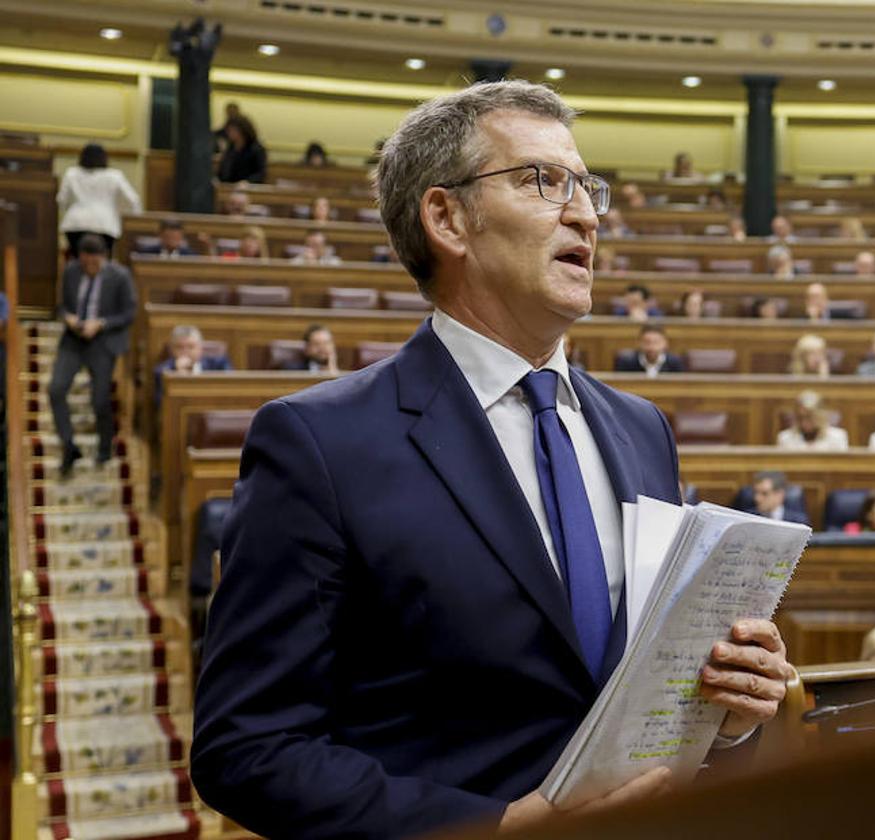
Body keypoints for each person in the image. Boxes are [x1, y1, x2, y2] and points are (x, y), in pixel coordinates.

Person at [193, 81, 790, 837]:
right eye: (543, 180)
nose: (586, 213)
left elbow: (634, 694)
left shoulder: (642, 429)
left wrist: (726, 712)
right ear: (446, 217)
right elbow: (247, 749)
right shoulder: (319, 443)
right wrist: (494, 829)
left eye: (586, 186)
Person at [48, 235, 135, 477]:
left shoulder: (120, 276)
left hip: (102, 341)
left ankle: (105, 447)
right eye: (85, 263)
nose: (89, 268)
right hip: (73, 340)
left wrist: (102, 323)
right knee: (55, 389)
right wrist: (68, 317)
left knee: (99, 400)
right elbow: (61, 306)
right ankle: (69, 445)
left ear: (103, 258)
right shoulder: (71, 271)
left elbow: (129, 313)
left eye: (93, 264)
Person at [57, 143, 142, 257]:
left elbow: (61, 200)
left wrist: (68, 210)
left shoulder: (71, 173)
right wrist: (129, 219)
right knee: (103, 264)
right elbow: (133, 200)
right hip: (105, 225)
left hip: (75, 223)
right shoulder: (114, 176)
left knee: (78, 261)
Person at [153, 325, 233, 406]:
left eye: (191, 347)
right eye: (179, 347)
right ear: (172, 350)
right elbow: (159, 403)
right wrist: (177, 376)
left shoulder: (219, 363)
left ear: (200, 348)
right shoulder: (163, 371)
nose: (185, 352)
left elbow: (230, 391)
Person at [776, 390, 848, 450]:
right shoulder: (785, 438)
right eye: (800, 418)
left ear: (820, 416)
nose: (804, 423)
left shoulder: (838, 437)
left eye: (809, 417)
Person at [614, 323, 684, 376]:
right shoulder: (626, 362)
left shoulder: (675, 362)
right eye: (647, 342)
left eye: (656, 342)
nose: (651, 347)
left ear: (665, 343)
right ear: (639, 343)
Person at [216, 113, 268, 183]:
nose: (230, 133)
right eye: (229, 130)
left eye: (233, 130)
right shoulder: (230, 148)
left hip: (248, 188)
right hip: (228, 187)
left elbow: (261, 174)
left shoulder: (256, 149)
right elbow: (223, 171)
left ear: (243, 130)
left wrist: (247, 182)